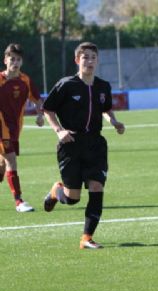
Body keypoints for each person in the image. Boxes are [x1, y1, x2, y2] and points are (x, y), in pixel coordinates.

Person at [41, 42, 125, 249]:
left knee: (97, 186)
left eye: (93, 57)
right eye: (85, 57)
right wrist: (59, 131)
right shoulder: (66, 85)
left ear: (97, 61)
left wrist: (113, 121)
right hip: (71, 144)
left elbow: (106, 109)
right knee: (72, 199)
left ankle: (86, 237)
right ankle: (56, 192)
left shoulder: (103, 86)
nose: (89, 61)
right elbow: (48, 109)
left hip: (95, 144)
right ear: (77, 60)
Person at [0, 43, 44, 212]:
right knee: (12, 160)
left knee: (2, 168)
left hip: (14, 130)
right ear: (5, 60)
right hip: (1, 127)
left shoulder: (25, 81)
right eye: (12, 59)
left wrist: (40, 115)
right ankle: (19, 201)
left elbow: (38, 100)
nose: (15, 63)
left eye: (18, 59)